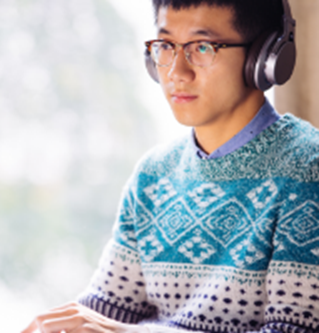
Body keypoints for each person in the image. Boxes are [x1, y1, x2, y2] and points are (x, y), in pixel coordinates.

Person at [22, 0, 319, 332]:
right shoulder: (153, 174)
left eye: (202, 47)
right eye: (165, 46)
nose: (177, 72)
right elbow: (106, 310)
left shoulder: (307, 169)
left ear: (264, 58)